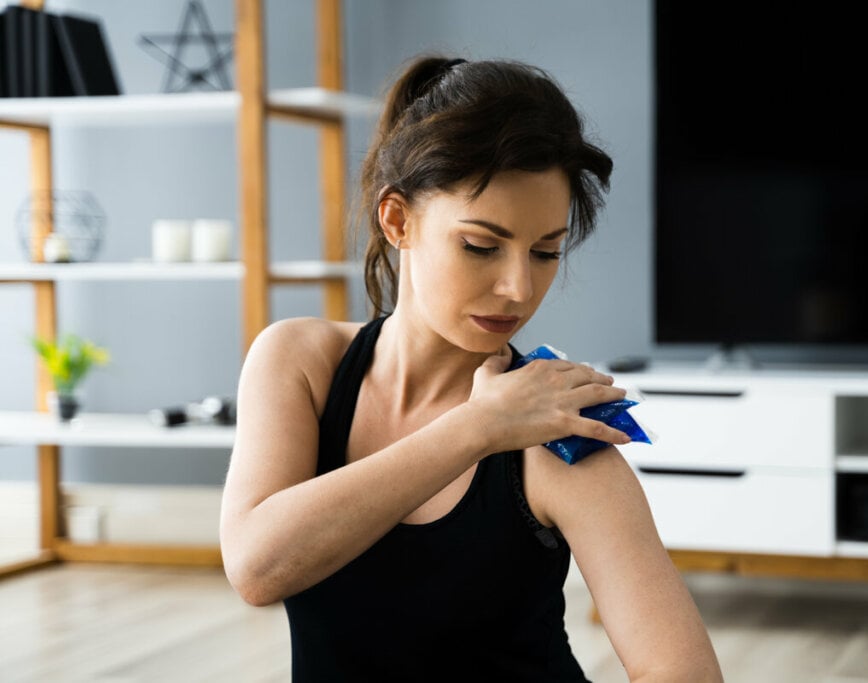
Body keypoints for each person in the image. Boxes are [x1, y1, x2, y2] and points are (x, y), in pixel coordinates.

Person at [220, 54, 723, 682]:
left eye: (545, 253)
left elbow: (684, 673)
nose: (518, 288)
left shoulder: (560, 431)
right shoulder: (301, 362)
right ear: (398, 220)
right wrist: (477, 428)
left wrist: (502, 425)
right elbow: (257, 568)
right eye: (481, 246)